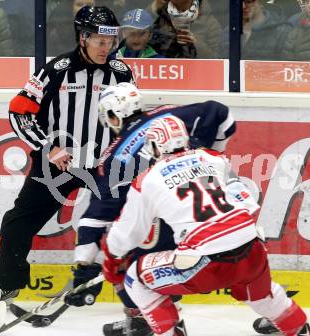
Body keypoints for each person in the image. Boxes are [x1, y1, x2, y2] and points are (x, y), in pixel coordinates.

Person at [0, 5, 134, 311]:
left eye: (111, 40)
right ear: (83, 37)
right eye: (99, 40)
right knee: (17, 223)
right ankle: (8, 284)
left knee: (131, 224)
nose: (106, 47)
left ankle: (136, 293)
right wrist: (48, 147)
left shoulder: (122, 72)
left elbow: (126, 118)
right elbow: (19, 111)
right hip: (58, 165)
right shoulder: (56, 69)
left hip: (103, 167)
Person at [102, 115, 310, 336]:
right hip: (250, 247)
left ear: (156, 146)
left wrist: (112, 261)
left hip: (204, 261)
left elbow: (125, 235)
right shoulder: (213, 157)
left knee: (135, 279)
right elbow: (247, 202)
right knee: (263, 298)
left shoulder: (147, 179)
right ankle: (301, 331)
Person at [64, 82, 237, 336]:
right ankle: (280, 315)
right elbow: (223, 114)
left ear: (112, 115)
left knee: (129, 264)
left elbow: (96, 218)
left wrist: (84, 264)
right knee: (248, 269)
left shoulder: (114, 157)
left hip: (169, 228)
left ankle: (143, 318)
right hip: (217, 214)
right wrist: (211, 154)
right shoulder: (170, 115)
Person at [221, 0, 292, 60]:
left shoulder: (282, 32)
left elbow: (286, 69)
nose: (243, 6)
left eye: (248, 1)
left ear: (260, 3)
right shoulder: (228, 32)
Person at [150, 0, 222, 58]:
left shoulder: (209, 23)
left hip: (195, 71)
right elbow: (144, 43)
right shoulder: (160, 15)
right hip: (165, 70)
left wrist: (196, 44)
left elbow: (218, 59)